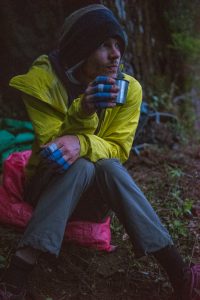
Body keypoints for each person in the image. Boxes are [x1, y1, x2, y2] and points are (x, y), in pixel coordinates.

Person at [0, 4, 199, 300]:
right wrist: (83, 110)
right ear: (81, 48)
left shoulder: (129, 90)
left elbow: (118, 149)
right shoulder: (43, 82)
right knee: (82, 166)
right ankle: (18, 272)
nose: (116, 54)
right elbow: (53, 147)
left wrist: (82, 142)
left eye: (118, 44)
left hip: (93, 196)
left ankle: (178, 272)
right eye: (104, 45)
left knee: (102, 165)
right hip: (47, 186)